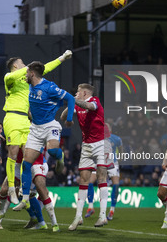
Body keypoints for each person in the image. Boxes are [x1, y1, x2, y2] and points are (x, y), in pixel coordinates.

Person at [3, 50, 72, 205]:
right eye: (22, 63)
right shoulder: (9, 77)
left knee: (26, 154)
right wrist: (29, 68)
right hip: (13, 116)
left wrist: (61, 58)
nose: (25, 65)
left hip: (28, 120)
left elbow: (44, 68)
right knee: (13, 152)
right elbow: (16, 75)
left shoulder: (28, 78)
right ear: (15, 65)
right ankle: (11, 189)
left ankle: (24, 189)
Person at [61, 83, 112, 230]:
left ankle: (102, 215)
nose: (76, 93)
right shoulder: (77, 105)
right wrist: (71, 102)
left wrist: (74, 100)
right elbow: (64, 118)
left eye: (78, 92)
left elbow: (90, 107)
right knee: (84, 179)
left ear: (84, 93)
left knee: (102, 178)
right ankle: (78, 217)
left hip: (101, 143)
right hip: (87, 146)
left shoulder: (95, 101)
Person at [0, 149, 49, 231]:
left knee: (28, 194)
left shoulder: (29, 137)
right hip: (18, 163)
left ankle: (41, 222)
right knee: (5, 189)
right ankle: (0, 218)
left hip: (34, 164)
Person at [85, 123, 123, 221]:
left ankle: (111, 210)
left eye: (106, 127)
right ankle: (90, 207)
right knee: (89, 182)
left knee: (116, 184)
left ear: (110, 129)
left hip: (112, 163)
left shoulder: (116, 139)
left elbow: (121, 151)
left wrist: (118, 160)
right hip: (99, 163)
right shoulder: (97, 138)